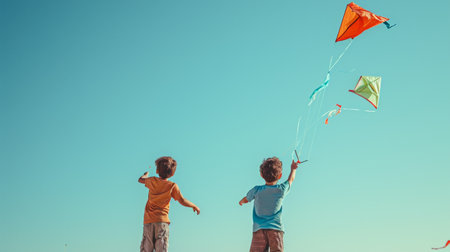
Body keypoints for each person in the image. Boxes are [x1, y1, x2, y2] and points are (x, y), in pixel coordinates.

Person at [138, 156, 200, 252]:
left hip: (148, 222)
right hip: (162, 222)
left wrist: (145, 175)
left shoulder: (152, 181)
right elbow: (182, 200)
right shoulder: (172, 186)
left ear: (157, 170)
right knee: (161, 249)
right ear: (172, 174)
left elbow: (140, 180)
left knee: (146, 249)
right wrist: (194, 205)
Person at [239, 157, 299, 252]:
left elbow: (247, 199)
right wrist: (293, 169)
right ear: (280, 176)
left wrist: (241, 201)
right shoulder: (281, 189)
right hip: (276, 230)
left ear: (261, 175)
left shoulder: (256, 190)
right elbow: (291, 179)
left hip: (258, 229)